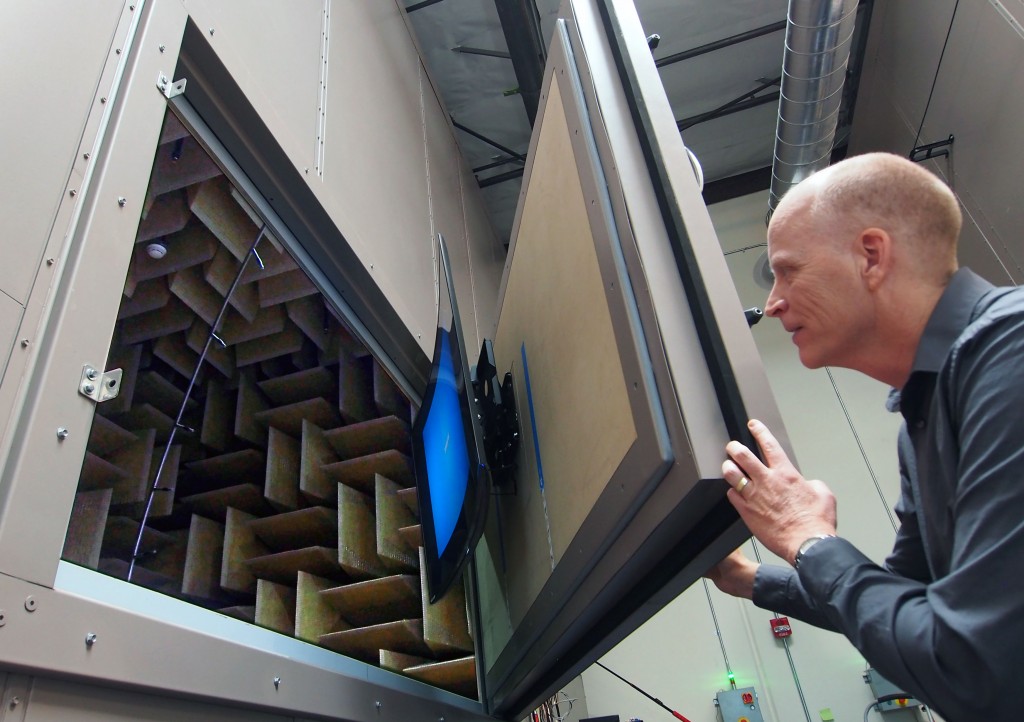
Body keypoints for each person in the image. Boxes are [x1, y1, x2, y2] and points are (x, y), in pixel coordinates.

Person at [707, 152, 1024, 722]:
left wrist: (808, 538)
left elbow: (982, 673)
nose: (774, 302)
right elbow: (897, 605)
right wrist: (748, 579)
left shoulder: (1014, 354)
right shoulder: (925, 418)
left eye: (788, 269)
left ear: (871, 256)